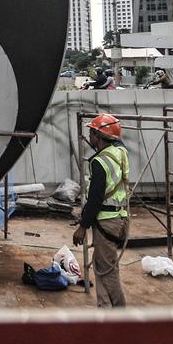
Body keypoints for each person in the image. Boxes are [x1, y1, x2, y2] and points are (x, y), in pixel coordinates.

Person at [72, 113, 130, 307]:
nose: (89, 137)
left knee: (108, 271)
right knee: (101, 266)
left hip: (107, 220)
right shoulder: (119, 152)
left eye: (92, 133)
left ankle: (120, 315)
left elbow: (96, 199)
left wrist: (82, 226)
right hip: (120, 217)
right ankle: (105, 308)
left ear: (98, 136)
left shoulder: (99, 162)